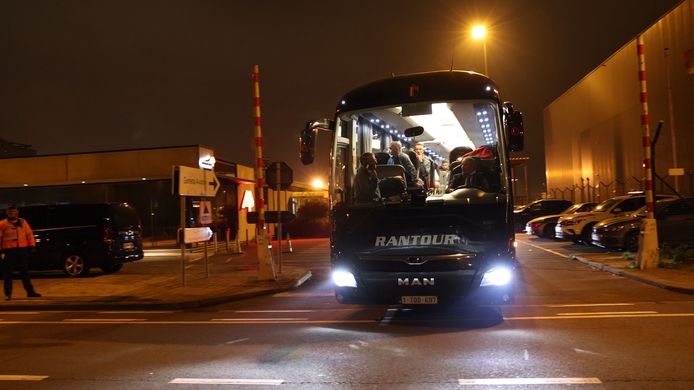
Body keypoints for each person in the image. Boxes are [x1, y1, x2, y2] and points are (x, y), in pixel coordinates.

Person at [0, 205, 41, 300]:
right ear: (7, 213)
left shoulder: (23, 222)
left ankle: (30, 292)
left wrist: (32, 245)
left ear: (17, 212)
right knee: (8, 274)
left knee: (25, 272)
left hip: (22, 250)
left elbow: (29, 234)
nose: (11, 213)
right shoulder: (2, 224)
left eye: (13, 211)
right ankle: (8, 294)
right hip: (8, 251)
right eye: (9, 212)